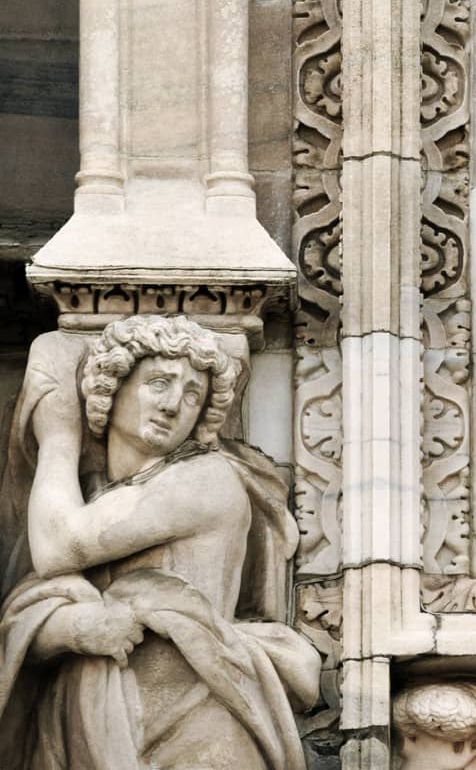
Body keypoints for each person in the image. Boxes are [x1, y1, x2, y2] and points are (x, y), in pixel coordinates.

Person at [0, 315, 320, 769]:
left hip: (195, 733)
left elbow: (56, 546)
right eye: (158, 382)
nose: (174, 404)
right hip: (99, 730)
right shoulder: (95, 494)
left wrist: (57, 434)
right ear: (111, 387)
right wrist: (75, 629)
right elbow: (37, 609)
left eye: (192, 394)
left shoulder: (205, 479)